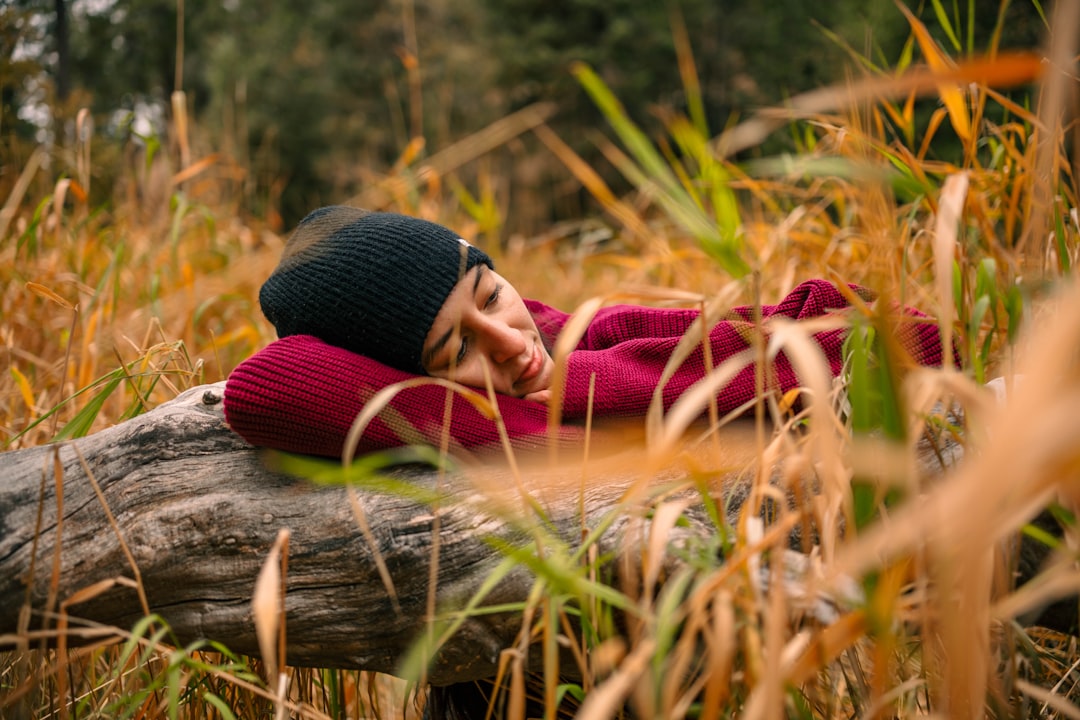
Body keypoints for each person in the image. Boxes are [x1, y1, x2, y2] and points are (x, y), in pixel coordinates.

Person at [223, 205, 949, 459]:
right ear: (399, 380)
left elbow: (911, 340)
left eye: (490, 293)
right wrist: (503, 428)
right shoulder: (454, 408)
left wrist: (572, 392)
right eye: (457, 349)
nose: (509, 340)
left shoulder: (586, 336)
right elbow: (263, 389)